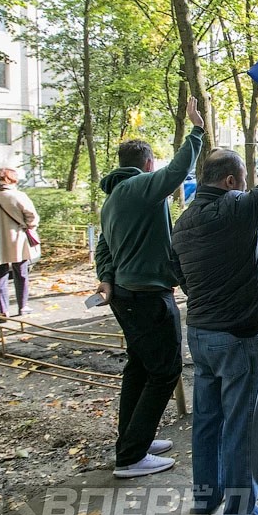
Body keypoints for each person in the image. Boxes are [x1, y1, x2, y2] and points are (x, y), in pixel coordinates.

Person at [171, 98, 258, 515]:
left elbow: (178, 271)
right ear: (231, 181)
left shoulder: (185, 220)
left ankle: (206, 498)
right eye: (243, 180)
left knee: (208, 420)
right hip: (241, 336)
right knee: (245, 424)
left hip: (201, 333)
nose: (248, 187)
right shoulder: (234, 209)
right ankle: (240, 513)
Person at [93, 97, 204, 479]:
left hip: (126, 293)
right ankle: (132, 456)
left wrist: (104, 275)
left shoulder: (112, 200)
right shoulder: (140, 188)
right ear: (147, 164)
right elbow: (178, 172)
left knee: (139, 368)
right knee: (165, 369)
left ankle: (133, 439)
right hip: (146, 295)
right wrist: (197, 129)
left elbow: (103, 247)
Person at [0, 168, 40, 319]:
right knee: (21, 274)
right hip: (18, 240)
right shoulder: (18, 195)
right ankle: (23, 306)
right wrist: (29, 227)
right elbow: (32, 216)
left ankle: (3, 310)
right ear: (11, 180)